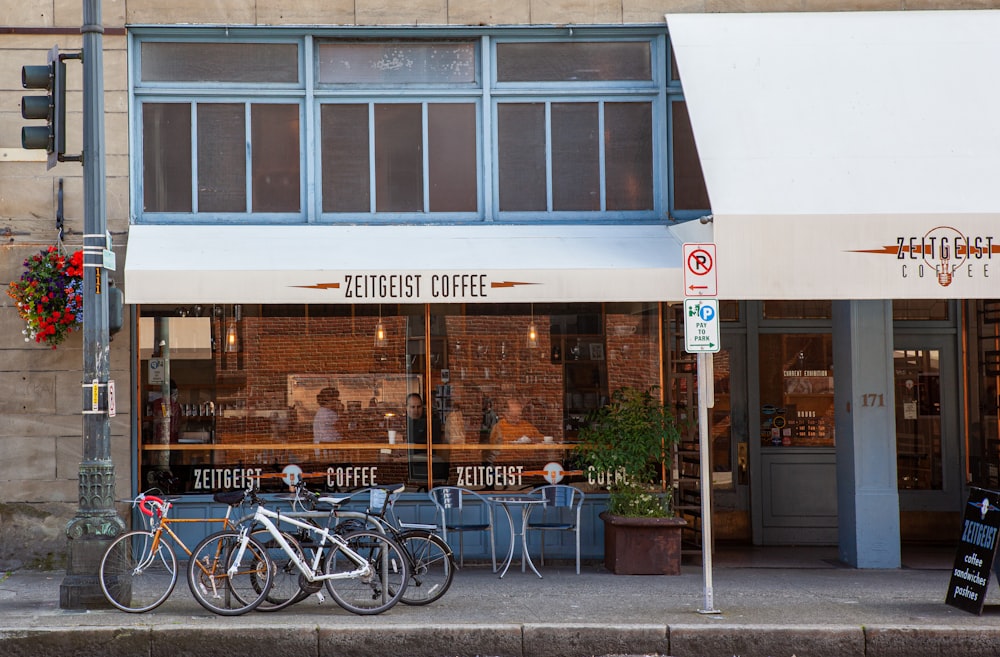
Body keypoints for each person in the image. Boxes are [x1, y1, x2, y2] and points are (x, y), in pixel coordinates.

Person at [405, 393, 446, 483]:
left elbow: (435, 444)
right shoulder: (402, 424)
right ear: (407, 408)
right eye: (412, 407)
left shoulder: (431, 423)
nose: (416, 410)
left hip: (427, 463)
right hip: (407, 464)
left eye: (418, 407)